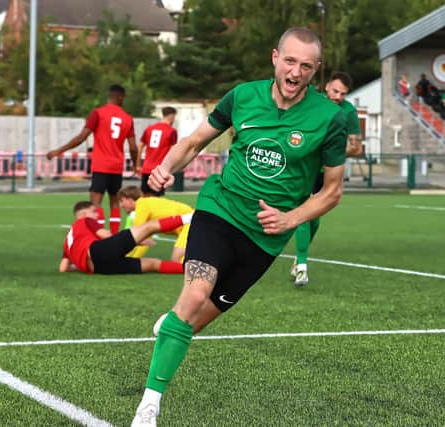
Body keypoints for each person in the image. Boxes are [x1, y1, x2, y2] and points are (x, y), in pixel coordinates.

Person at [130, 27, 347, 426]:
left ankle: (174, 326)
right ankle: (149, 406)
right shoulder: (242, 96)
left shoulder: (330, 119)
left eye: (305, 65)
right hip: (219, 210)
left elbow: (332, 192)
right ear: (274, 58)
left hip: (265, 239)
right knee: (194, 296)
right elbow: (195, 141)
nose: (295, 71)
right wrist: (164, 168)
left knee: (193, 322)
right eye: (289, 60)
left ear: (315, 71)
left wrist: (291, 218)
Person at [290, 71, 362, 287]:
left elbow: (356, 147)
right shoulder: (312, 102)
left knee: (316, 217)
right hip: (308, 169)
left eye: (343, 93)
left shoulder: (348, 112)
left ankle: (298, 258)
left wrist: (333, 152)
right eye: (335, 90)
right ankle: (302, 267)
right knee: (304, 211)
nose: (338, 96)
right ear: (327, 86)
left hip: (330, 171)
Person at [46, 85, 137, 234]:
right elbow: (133, 147)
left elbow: (82, 137)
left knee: (95, 203)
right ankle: (113, 236)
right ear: (121, 97)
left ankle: (99, 235)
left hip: (101, 166)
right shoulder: (127, 118)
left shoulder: (98, 113)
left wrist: (59, 151)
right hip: (116, 166)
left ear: (110, 95)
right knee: (115, 202)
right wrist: (135, 165)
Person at [59, 201, 192, 274]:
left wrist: (79, 266)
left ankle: (193, 270)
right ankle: (190, 217)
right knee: (148, 227)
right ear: (83, 214)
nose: (96, 215)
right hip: (99, 251)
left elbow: (63, 268)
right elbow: (104, 235)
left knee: (153, 264)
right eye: (94, 211)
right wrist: (137, 241)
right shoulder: (84, 221)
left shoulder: (67, 241)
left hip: (98, 268)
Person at [118, 186, 193, 262]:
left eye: (121, 201)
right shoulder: (145, 204)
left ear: (130, 200)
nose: (121, 205)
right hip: (189, 222)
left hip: (189, 223)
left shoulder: (142, 205)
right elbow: (143, 239)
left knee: (177, 260)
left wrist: (126, 259)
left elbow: (136, 236)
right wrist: (129, 259)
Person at [137, 107, 178, 196]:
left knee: (145, 198)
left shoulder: (149, 128)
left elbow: (140, 147)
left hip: (146, 168)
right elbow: (173, 151)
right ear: (171, 116)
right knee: (156, 201)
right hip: (159, 170)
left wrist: (138, 165)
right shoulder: (171, 131)